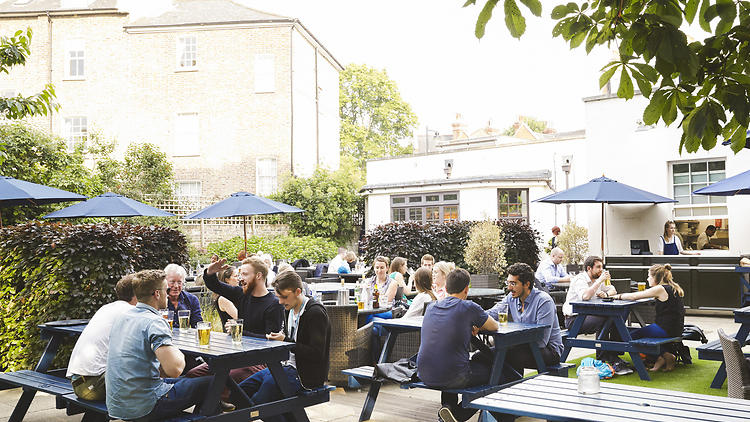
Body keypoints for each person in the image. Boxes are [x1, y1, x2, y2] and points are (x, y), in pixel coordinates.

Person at [106, 269, 213, 420]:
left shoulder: (123, 317)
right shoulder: (154, 321)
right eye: (166, 290)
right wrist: (176, 351)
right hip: (144, 406)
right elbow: (175, 369)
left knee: (190, 381)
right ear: (157, 294)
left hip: (118, 404)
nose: (168, 294)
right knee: (214, 383)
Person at [231, 271, 331, 419]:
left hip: (305, 375)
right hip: (283, 367)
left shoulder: (315, 312)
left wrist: (285, 341)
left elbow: (317, 353)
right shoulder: (288, 309)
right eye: (278, 297)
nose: (280, 302)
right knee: (239, 393)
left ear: (298, 291)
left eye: (284, 297)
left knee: (260, 402)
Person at [417, 268, 499, 422]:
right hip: (453, 375)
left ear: (446, 288)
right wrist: (477, 325)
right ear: (466, 289)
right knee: (497, 373)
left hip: (424, 372)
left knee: (451, 364)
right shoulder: (468, 307)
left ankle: (447, 407)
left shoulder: (431, 307)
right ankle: (458, 415)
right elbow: (494, 326)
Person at [486, 263, 563, 380]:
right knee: (484, 355)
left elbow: (541, 341)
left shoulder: (544, 301)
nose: (509, 288)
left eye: (513, 283)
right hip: (522, 347)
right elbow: (492, 313)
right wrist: (475, 317)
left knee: (499, 355)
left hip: (549, 350)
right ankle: (511, 387)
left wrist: (510, 340)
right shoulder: (511, 297)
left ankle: (511, 386)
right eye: (508, 283)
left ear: (527, 284)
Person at [66, 274, 137, 401]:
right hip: (91, 386)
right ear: (137, 293)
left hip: (79, 382)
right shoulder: (129, 312)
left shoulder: (108, 308)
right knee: (146, 376)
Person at [612, 264, 685, 371]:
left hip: (665, 329)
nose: (647, 279)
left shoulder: (660, 288)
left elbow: (633, 296)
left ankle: (664, 356)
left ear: (657, 277)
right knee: (641, 333)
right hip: (675, 328)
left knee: (629, 336)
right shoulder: (673, 287)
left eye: (649, 276)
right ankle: (660, 358)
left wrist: (617, 296)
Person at [203, 256, 284, 338]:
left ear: (258, 276)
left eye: (244, 274)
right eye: (239, 275)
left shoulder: (274, 304)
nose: (240, 279)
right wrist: (210, 272)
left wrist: (238, 330)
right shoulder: (240, 294)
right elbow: (215, 286)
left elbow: (271, 340)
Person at [562, 256, 622, 364]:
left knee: (616, 317)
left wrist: (606, 294)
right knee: (607, 319)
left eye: (602, 267)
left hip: (589, 315)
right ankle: (604, 357)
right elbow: (585, 296)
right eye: (598, 267)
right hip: (574, 319)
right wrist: (599, 281)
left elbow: (613, 290)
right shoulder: (580, 279)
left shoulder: (598, 278)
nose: (601, 270)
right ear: (589, 268)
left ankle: (613, 354)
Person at [164, 263, 202, 328]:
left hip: (185, 337)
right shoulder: (158, 301)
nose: (176, 286)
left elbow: (197, 325)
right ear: (164, 282)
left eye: (179, 282)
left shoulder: (192, 300)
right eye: (172, 282)